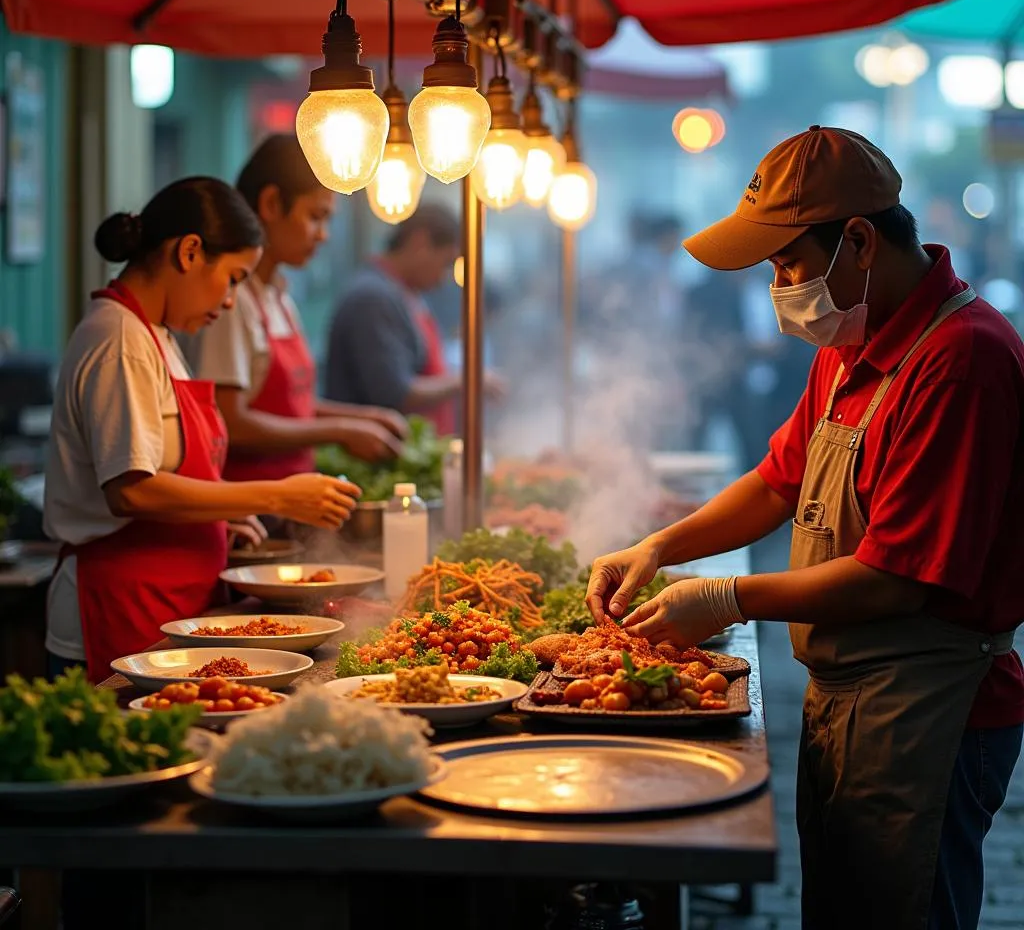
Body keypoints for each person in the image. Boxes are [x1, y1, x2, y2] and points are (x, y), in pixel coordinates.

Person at [585, 126, 1024, 930]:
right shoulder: (853, 340)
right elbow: (777, 480)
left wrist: (725, 597)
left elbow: (897, 577)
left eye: (787, 266)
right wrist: (659, 547)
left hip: (932, 707)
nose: (781, 288)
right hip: (849, 695)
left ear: (857, 241)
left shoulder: (963, 358)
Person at [43, 177, 360, 681]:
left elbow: (163, 469)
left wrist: (216, 517)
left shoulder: (157, 336)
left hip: (170, 599)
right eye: (233, 277)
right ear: (190, 252)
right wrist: (275, 496)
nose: (232, 300)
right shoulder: (119, 338)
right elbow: (132, 491)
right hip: (120, 602)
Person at [186, 134, 407, 480]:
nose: (323, 235)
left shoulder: (278, 295)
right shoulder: (231, 301)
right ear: (272, 204)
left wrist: (359, 418)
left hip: (291, 499)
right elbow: (230, 421)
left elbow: (293, 410)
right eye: (316, 216)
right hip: (249, 511)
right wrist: (339, 432)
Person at [324, 203, 504, 435]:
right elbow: (396, 393)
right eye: (446, 262)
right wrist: (467, 379)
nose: (444, 277)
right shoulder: (373, 298)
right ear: (420, 242)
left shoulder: (406, 295)